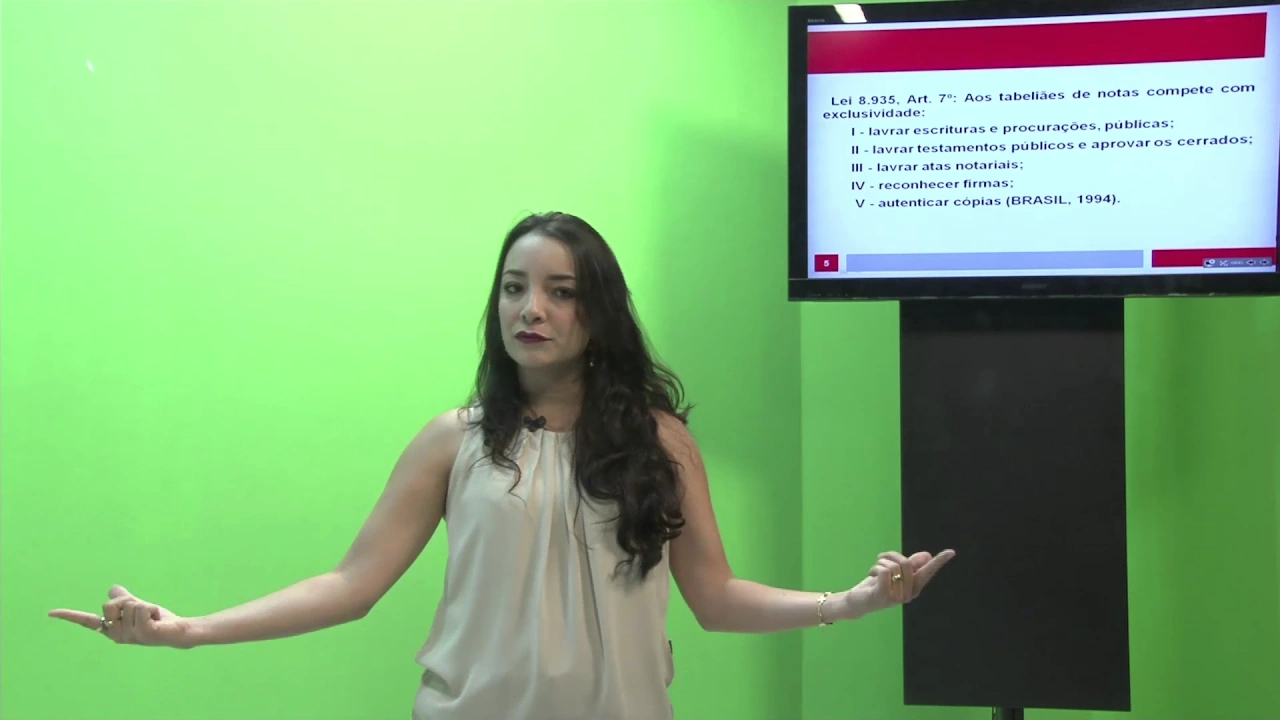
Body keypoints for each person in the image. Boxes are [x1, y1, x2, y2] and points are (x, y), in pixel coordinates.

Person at [50, 211, 956, 720]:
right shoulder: (453, 440)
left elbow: (715, 600)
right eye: (515, 288)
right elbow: (349, 586)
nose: (532, 309)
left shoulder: (661, 442)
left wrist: (851, 601)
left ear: (598, 312)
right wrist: (188, 630)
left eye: (561, 292)